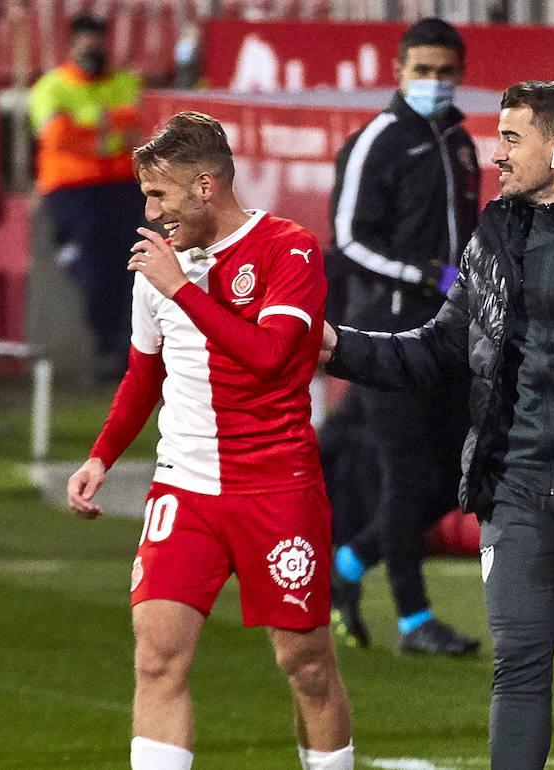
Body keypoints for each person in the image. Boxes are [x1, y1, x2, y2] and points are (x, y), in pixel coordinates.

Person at [322, 80, 554, 769]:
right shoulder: (495, 236)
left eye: (509, 138)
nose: (494, 154)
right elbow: (441, 348)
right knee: (518, 668)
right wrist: (338, 346)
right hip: (517, 490)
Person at [69, 112, 354, 770]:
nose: (150, 210)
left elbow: (274, 355)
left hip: (277, 487)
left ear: (204, 186)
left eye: (158, 194)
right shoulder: (158, 270)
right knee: (157, 656)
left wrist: (184, 290)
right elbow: (145, 375)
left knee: (306, 663)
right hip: (186, 487)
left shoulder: (289, 248)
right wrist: (100, 456)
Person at [325, 17, 481, 655]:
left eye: (445, 71)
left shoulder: (463, 145)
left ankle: (348, 565)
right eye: (423, 70)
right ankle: (415, 622)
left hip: (451, 330)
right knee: (407, 473)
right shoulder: (378, 140)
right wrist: (425, 275)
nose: (435, 82)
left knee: (458, 475)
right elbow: (348, 238)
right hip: (387, 332)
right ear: (399, 72)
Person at [30, 14, 144, 381]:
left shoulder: (125, 82)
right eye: (86, 42)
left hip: (122, 188)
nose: (93, 49)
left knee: (132, 271)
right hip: (73, 192)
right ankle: (108, 349)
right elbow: (55, 135)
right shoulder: (53, 86)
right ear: (72, 45)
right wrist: (111, 127)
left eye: (98, 42)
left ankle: (125, 351)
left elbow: (142, 124)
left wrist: (87, 127)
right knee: (94, 272)